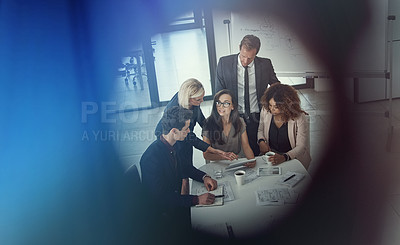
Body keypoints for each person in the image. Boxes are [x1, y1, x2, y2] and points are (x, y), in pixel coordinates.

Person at [141, 106, 218, 242]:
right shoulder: (151, 158)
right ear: (174, 131)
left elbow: (185, 167)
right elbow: (161, 198)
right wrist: (196, 199)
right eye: (186, 129)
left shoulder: (174, 144)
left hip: (175, 203)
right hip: (164, 216)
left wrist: (204, 177)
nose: (189, 131)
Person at [155, 78, 237, 194]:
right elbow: (189, 137)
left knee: (187, 169)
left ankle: (186, 200)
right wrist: (214, 150)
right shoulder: (175, 109)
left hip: (185, 134)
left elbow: (201, 120)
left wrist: (213, 131)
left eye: (202, 97)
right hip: (174, 140)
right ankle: (183, 204)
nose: (202, 101)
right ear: (189, 98)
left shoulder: (194, 102)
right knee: (181, 174)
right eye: (199, 99)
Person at [215, 34, 280, 156]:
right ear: (239, 47)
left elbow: (277, 87)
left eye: (250, 58)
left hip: (257, 115)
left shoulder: (265, 64)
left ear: (256, 53)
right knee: (237, 153)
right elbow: (219, 93)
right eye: (243, 56)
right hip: (234, 116)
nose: (245, 61)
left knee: (258, 151)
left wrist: (293, 106)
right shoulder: (224, 63)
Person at [257, 83, 311, 169]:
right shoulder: (265, 110)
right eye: (270, 105)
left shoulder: (299, 117)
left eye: (276, 106)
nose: (272, 109)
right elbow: (260, 130)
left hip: (292, 158)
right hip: (271, 156)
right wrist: (261, 141)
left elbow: (301, 147)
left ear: (286, 106)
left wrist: (284, 157)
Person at [202, 89, 256, 167]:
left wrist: (252, 160)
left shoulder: (240, 121)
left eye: (226, 103)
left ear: (232, 106)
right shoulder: (208, 123)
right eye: (219, 103)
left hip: (236, 162)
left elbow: (246, 146)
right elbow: (206, 154)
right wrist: (223, 156)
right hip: (217, 164)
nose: (221, 106)